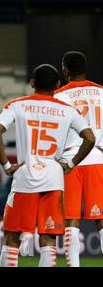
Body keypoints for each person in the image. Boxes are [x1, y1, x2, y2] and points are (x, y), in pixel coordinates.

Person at [0, 64, 95, 267]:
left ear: (32, 83)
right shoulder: (68, 110)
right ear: (57, 85)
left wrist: (6, 165)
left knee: (12, 237)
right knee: (49, 239)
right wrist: (71, 163)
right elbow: (89, 138)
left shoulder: (17, 105)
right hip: (54, 179)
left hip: (25, 177)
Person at [54, 51, 103, 267]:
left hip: (70, 163)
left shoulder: (59, 96)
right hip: (98, 159)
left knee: (71, 221)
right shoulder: (101, 92)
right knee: (101, 218)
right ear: (84, 67)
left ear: (65, 69)